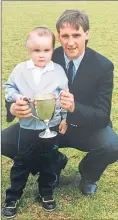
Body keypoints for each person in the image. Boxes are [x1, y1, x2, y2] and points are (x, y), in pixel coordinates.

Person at [2, 9, 118, 204]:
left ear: (86, 34)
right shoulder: (47, 56)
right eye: (65, 36)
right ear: (58, 37)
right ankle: (54, 162)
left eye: (76, 35)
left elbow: (102, 115)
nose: (70, 42)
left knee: (112, 145)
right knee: (4, 141)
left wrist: (74, 108)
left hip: (85, 127)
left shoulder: (103, 66)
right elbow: (20, 86)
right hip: (49, 124)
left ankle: (88, 174)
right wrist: (13, 107)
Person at [2, 26, 69, 218]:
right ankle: (13, 196)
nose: (42, 55)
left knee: (49, 161)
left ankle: (46, 193)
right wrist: (16, 97)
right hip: (28, 126)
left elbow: (64, 96)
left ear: (53, 49)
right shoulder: (20, 70)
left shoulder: (58, 71)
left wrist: (64, 118)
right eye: (36, 50)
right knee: (22, 162)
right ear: (28, 50)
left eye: (46, 50)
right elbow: (9, 87)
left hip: (52, 126)